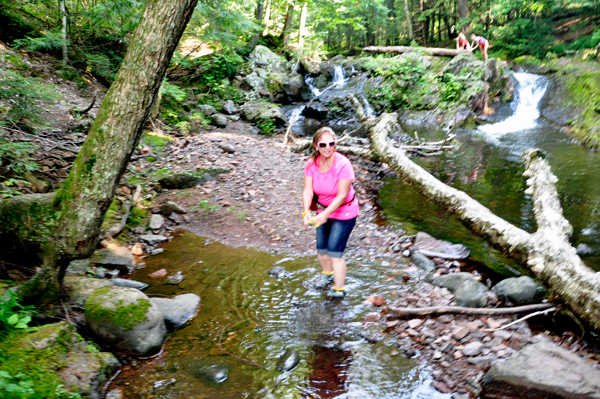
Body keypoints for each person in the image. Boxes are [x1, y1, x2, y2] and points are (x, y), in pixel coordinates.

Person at [303, 127, 359, 298]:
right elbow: (307, 191)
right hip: (322, 210)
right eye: (323, 144)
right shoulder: (312, 163)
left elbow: (342, 195)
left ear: (336, 144)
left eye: (331, 143)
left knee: (335, 251)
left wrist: (324, 214)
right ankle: (327, 276)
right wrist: (307, 212)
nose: (328, 147)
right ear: (316, 146)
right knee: (322, 249)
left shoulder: (344, 164)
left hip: (345, 212)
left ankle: (339, 290)